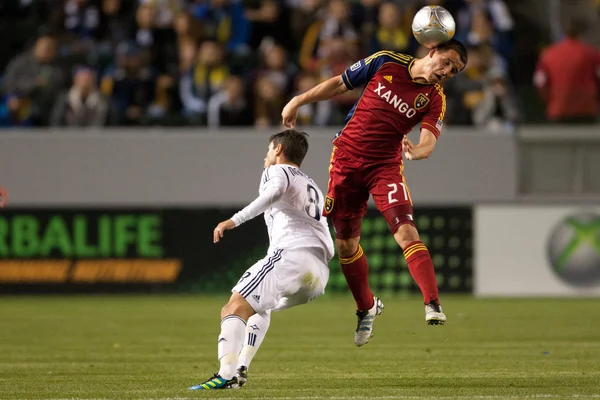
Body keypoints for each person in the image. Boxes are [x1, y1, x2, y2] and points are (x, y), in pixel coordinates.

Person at [281, 39, 468, 347]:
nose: (447, 71)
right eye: (447, 62)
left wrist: (418, 152)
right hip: (345, 161)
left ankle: (432, 303)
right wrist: (298, 101)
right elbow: (340, 85)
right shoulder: (386, 62)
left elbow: (429, 140)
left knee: (406, 232)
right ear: (432, 51)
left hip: (385, 168)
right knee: (345, 245)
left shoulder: (435, 99)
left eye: (455, 70)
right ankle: (366, 306)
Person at [189, 129, 334, 390]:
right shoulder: (311, 184)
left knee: (233, 308)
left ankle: (226, 374)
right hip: (318, 274)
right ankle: (241, 367)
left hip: (292, 255)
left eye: (268, 150)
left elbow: (274, 192)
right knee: (259, 306)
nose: (265, 156)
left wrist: (234, 219)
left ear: (278, 149)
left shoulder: (278, 171)